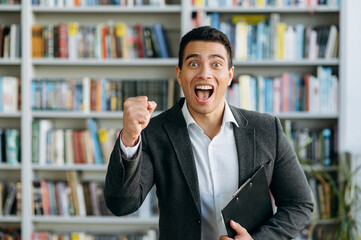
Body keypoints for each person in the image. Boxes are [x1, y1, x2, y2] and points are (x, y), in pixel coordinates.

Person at [104, 26, 313, 240]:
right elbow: (122, 205)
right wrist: (129, 138)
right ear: (179, 74)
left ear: (230, 75)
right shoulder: (154, 133)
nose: (205, 73)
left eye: (216, 64)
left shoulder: (267, 129)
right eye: (193, 63)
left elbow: (300, 205)